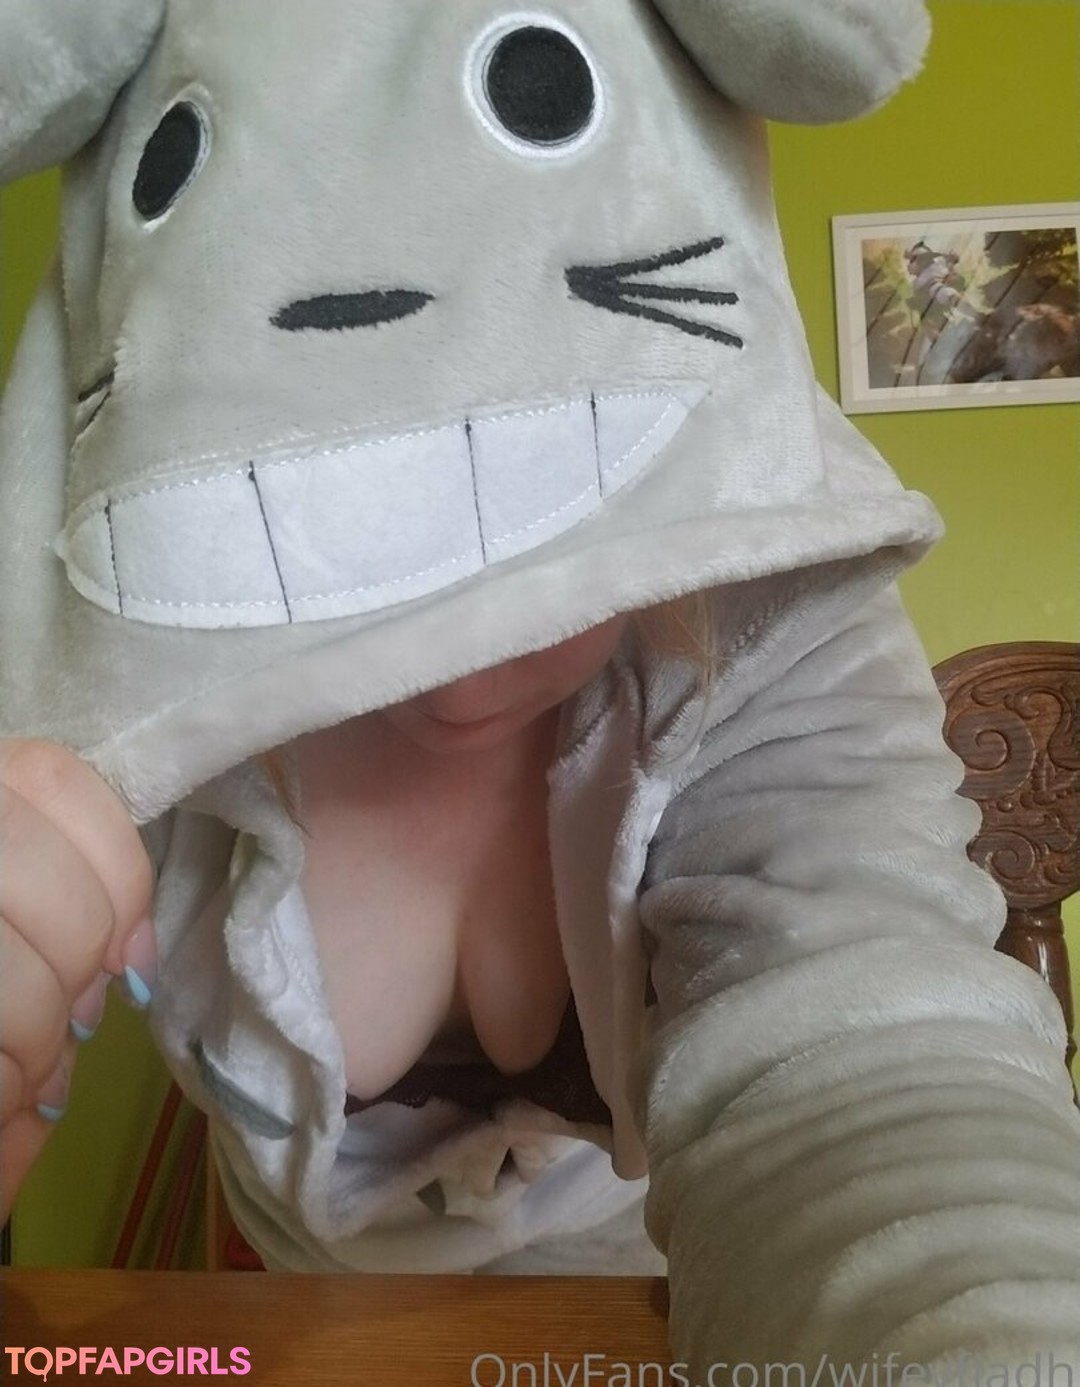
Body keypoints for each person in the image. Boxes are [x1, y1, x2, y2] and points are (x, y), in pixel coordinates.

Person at [3, 0, 1080, 1376]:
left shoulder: (768, 640)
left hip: (673, 1305)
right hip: (285, 1308)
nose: (463, 661)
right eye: (349, 542)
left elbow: (869, 1056)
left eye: (545, 539)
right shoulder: (108, 697)